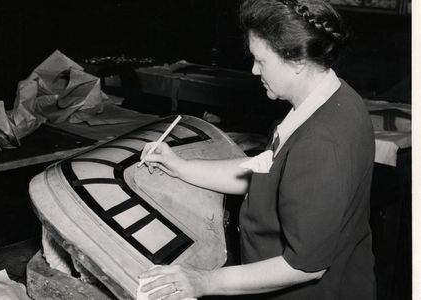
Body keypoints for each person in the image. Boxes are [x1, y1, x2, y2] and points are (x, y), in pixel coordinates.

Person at [138, 0, 376, 299]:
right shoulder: (331, 97)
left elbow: (306, 266)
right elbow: (265, 172)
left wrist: (205, 282)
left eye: (261, 61)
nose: (253, 70)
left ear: (298, 61)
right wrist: (179, 166)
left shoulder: (321, 142)